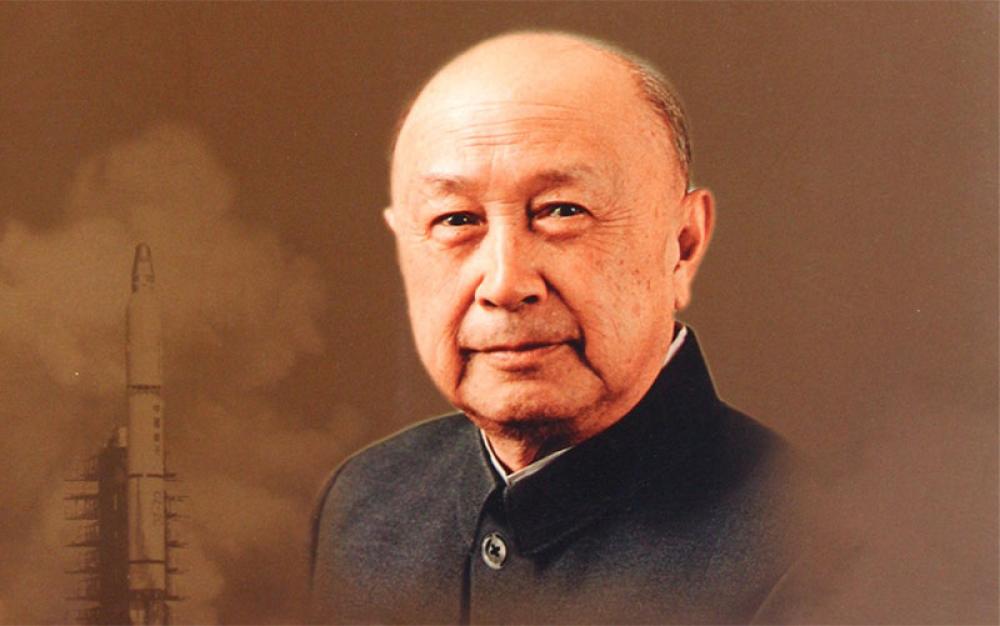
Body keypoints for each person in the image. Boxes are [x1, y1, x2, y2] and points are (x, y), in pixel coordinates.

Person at [311, 31, 808, 624]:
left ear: (682, 245)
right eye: (457, 219)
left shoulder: (808, 550)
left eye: (562, 211)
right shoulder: (363, 503)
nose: (504, 284)